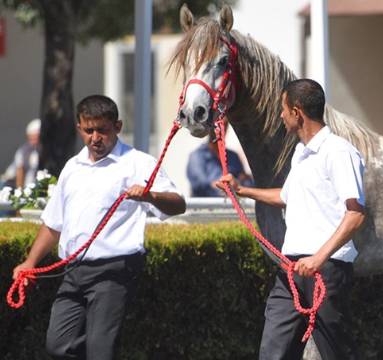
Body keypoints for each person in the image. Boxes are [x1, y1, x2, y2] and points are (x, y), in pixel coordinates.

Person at [11, 95, 186, 360]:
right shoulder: (72, 167)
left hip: (114, 270)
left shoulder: (138, 162)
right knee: (58, 345)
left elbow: (178, 204)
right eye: (88, 130)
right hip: (74, 270)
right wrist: (30, 262)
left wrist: (150, 196)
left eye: (102, 130)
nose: (95, 137)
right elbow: (54, 222)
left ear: (117, 126)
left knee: (100, 351)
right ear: (79, 128)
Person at [216, 79, 366, 359]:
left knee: (335, 351)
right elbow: (286, 196)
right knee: (275, 350)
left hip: (327, 269)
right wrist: (241, 190)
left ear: (297, 112)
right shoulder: (301, 153)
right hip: (292, 268)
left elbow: (355, 214)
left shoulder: (338, 152)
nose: (281, 116)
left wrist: (319, 258)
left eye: (283, 110)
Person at [186, 121, 252, 197]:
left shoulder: (233, 156)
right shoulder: (197, 156)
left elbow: (245, 182)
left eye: (223, 125)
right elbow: (200, 185)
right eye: (216, 124)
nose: (219, 128)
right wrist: (225, 188)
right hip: (206, 207)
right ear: (208, 126)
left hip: (231, 206)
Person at [2, 118, 41, 189]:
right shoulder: (24, 150)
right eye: (31, 138)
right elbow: (19, 171)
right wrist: (20, 191)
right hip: (11, 183)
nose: (33, 141)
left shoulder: (42, 150)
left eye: (35, 137)